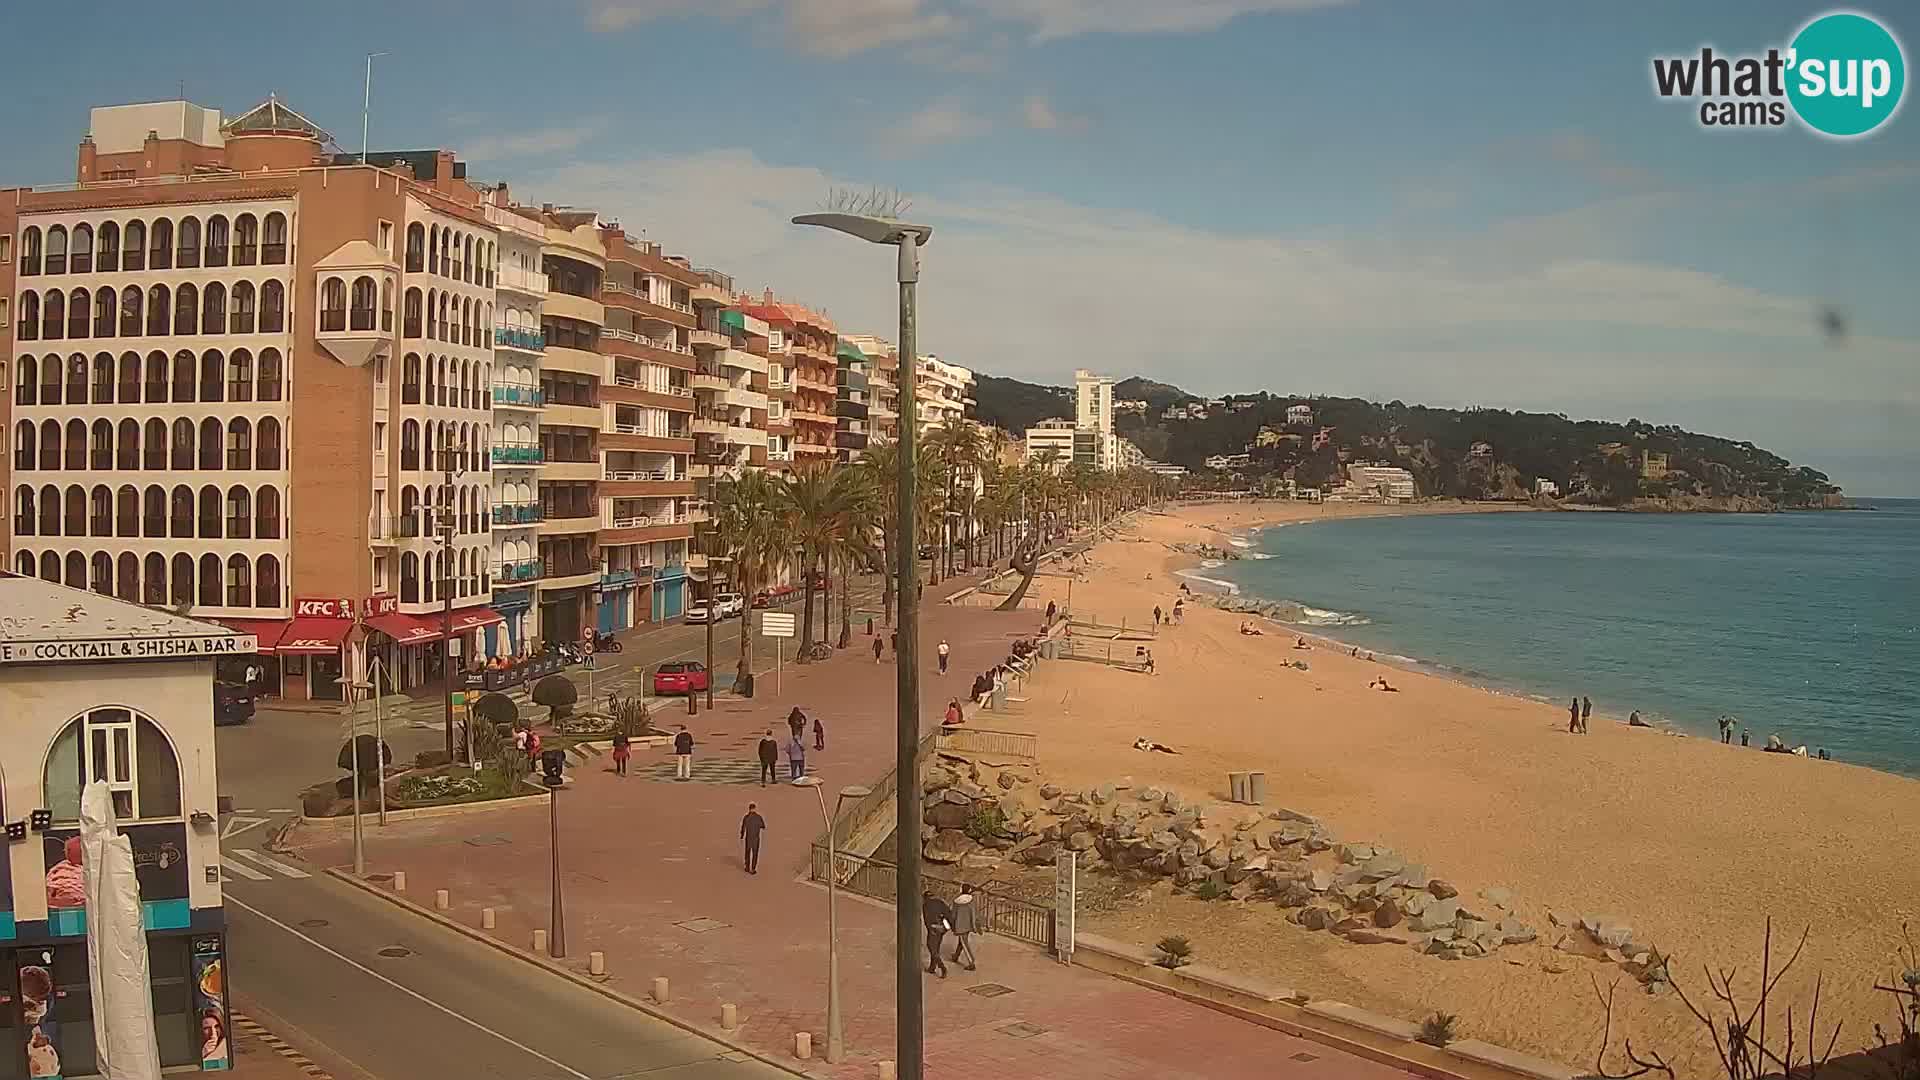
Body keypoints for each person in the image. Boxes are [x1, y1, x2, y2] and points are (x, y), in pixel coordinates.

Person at [922, 891, 953, 978]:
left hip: (933, 928)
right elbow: (949, 914)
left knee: (931, 947)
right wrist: (949, 927)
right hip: (942, 929)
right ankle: (932, 967)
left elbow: (927, 919)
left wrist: (930, 929)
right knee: (936, 947)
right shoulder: (940, 902)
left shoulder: (926, 905)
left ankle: (942, 967)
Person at [951, 888, 979, 971]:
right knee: (962, 942)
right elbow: (974, 913)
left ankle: (971, 962)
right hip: (968, 924)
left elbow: (953, 915)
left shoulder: (956, 901)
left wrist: (952, 925)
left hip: (960, 925)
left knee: (964, 943)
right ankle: (956, 956)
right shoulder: (971, 900)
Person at [740, 803, 766, 875]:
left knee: (747, 853)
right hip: (756, 839)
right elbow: (763, 826)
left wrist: (742, 836)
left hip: (748, 839)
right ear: (755, 808)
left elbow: (743, 827)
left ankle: (747, 867)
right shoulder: (758, 817)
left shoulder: (746, 817)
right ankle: (753, 869)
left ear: (749, 809)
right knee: (755, 854)